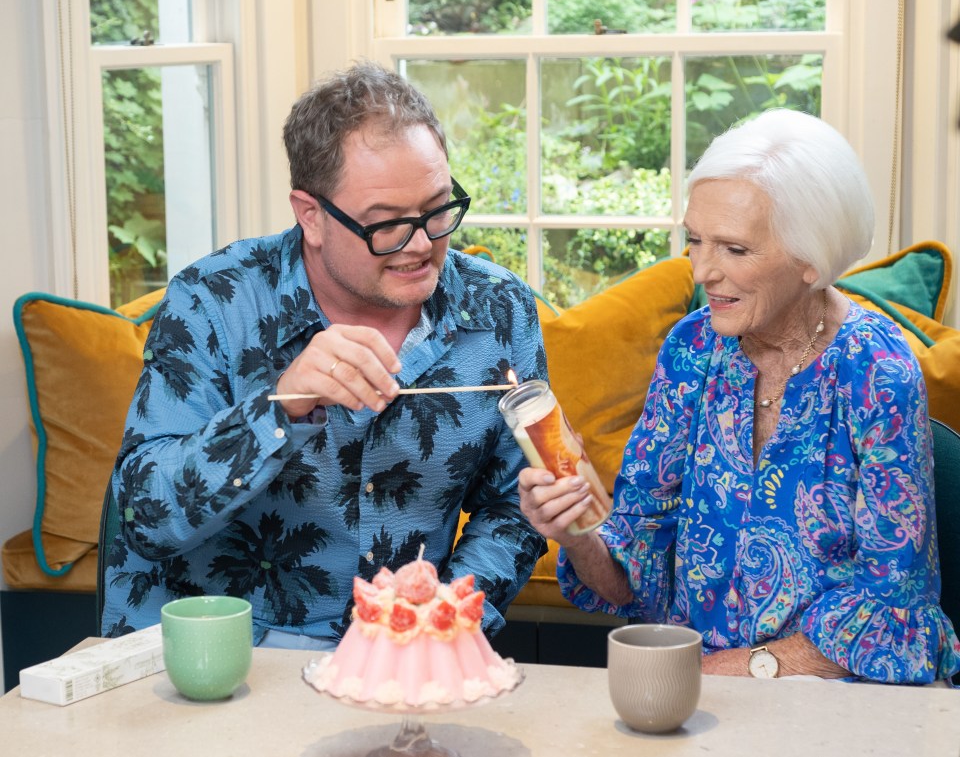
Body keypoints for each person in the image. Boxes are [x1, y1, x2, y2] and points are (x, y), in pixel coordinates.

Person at [101, 62, 547, 647]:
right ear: (311, 215)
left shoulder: (501, 309)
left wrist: (441, 615)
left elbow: (515, 507)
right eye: (386, 225)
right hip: (217, 653)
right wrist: (276, 411)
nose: (421, 244)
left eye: (438, 210)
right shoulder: (213, 300)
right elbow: (142, 517)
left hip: (405, 654)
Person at [519, 109, 960, 684]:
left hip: (841, 697)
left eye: (734, 249)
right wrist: (574, 530)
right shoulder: (691, 349)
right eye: (695, 240)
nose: (702, 270)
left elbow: (891, 611)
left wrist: (736, 671)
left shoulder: (877, 367)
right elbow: (635, 577)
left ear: (811, 258)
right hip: (699, 692)